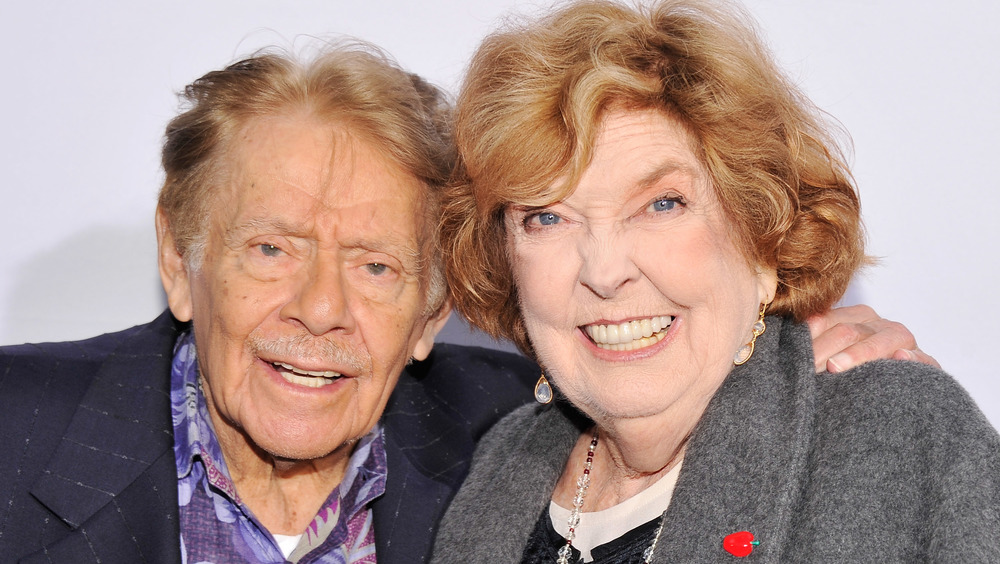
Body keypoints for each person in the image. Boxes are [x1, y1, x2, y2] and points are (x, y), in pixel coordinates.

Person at [0, 40, 935, 564]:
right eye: (272, 248)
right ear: (179, 254)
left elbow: (662, 360)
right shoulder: (13, 439)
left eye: (375, 268)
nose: (320, 310)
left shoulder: (514, 442)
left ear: (431, 307)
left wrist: (801, 348)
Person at [431, 0, 1000, 562]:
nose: (604, 272)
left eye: (662, 203)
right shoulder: (496, 468)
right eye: (547, 217)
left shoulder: (895, 439)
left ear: (761, 245)